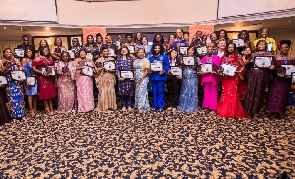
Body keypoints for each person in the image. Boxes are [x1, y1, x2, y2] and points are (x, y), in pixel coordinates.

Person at [244, 40, 276, 117]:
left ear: (266, 46)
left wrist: (273, 67)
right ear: (257, 46)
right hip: (252, 75)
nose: (261, 45)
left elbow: (274, 65)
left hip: (262, 75)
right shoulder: (253, 54)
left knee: (259, 92)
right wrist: (248, 62)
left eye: (263, 44)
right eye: (259, 44)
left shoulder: (269, 55)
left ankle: (256, 111)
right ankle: (247, 110)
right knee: (250, 92)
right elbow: (247, 65)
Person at [215, 43, 248, 118]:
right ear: (227, 48)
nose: (230, 49)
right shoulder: (224, 56)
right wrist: (220, 71)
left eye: (232, 47)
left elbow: (243, 66)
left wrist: (239, 71)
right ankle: (224, 110)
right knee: (225, 93)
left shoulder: (238, 56)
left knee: (232, 93)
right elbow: (221, 67)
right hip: (225, 78)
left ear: (234, 48)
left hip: (233, 78)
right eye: (229, 47)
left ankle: (232, 111)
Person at [267, 40, 295, 118]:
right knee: (274, 95)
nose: (284, 49)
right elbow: (273, 67)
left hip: (286, 80)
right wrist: (273, 69)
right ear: (280, 49)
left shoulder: (292, 57)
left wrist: (291, 76)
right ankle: (272, 112)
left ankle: (279, 112)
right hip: (276, 80)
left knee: (283, 96)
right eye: (282, 47)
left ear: (289, 48)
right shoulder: (275, 57)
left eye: (286, 47)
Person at [2, 48, 25, 120]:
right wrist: (5, 69)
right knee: (11, 99)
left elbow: (21, 69)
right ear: (4, 54)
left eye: (10, 52)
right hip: (9, 82)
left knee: (20, 98)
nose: (9, 53)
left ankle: (21, 114)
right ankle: (13, 115)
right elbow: (1, 71)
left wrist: (17, 67)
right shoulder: (2, 61)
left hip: (17, 81)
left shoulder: (16, 60)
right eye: (7, 52)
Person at [32, 46, 56, 115]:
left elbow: (52, 65)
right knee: (45, 93)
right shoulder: (38, 58)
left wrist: (54, 67)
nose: (46, 51)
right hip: (43, 78)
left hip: (50, 77)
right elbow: (34, 68)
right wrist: (42, 72)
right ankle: (47, 108)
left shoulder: (50, 57)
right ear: (42, 51)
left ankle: (51, 108)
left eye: (47, 50)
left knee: (50, 92)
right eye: (45, 50)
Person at [72, 49, 95, 113]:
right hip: (81, 77)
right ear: (79, 54)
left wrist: (93, 70)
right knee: (82, 91)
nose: (83, 53)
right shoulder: (77, 60)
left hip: (88, 78)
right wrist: (80, 67)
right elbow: (72, 68)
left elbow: (93, 67)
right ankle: (82, 107)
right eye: (81, 52)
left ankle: (90, 106)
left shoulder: (89, 60)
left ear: (86, 53)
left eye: (84, 52)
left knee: (89, 91)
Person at [177, 46, 199, 112]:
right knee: (185, 90)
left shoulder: (196, 58)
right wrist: (182, 64)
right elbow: (180, 67)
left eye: (192, 50)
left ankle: (192, 105)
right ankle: (184, 105)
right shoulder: (183, 58)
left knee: (192, 90)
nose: (191, 51)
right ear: (187, 51)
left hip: (193, 76)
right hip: (185, 76)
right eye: (189, 50)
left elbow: (199, 68)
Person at [95, 47, 117, 111]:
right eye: (104, 51)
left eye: (107, 51)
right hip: (103, 77)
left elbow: (115, 69)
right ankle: (103, 107)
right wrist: (100, 69)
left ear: (109, 52)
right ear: (102, 52)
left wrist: (111, 70)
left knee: (110, 90)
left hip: (110, 77)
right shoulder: (99, 60)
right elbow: (96, 71)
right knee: (103, 91)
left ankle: (110, 106)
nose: (106, 52)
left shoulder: (112, 59)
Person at [199, 46, 221, 111]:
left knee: (214, 92)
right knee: (206, 92)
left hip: (213, 77)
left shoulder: (217, 58)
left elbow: (219, 67)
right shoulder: (203, 58)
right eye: (208, 49)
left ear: (213, 50)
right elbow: (200, 67)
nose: (210, 50)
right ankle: (206, 106)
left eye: (211, 49)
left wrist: (213, 65)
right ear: (206, 50)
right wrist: (201, 71)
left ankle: (213, 107)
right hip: (206, 77)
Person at [149, 43, 170, 111]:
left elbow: (167, 66)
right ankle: (155, 106)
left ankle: (161, 106)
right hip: (153, 77)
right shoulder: (151, 58)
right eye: (155, 48)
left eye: (158, 48)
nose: (157, 49)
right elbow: (149, 67)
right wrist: (150, 70)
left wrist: (164, 71)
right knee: (154, 92)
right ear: (153, 49)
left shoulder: (164, 56)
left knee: (160, 92)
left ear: (160, 49)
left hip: (161, 77)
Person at [116, 47, 135, 111]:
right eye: (122, 50)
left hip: (130, 78)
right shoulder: (118, 59)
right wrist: (119, 77)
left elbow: (134, 69)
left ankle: (129, 105)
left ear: (128, 51)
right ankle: (123, 105)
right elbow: (117, 69)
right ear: (121, 51)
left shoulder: (131, 59)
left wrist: (133, 76)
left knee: (130, 92)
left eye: (125, 50)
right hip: (122, 78)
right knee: (122, 92)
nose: (124, 51)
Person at [21, 47, 38, 117]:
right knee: (30, 95)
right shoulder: (24, 59)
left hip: (34, 78)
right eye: (27, 52)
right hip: (28, 79)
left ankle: (35, 109)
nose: (29, 53)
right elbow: (23, 71)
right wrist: (25, 80)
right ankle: (31, 110)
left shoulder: (33, 59)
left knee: (35, 94)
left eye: (30, 51)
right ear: (25, 53)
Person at [134, 48, 150, 113]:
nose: (140, 53)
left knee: (142, 92)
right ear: (137, 53)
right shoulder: (136, 60)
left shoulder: (146, 60)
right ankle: (139, 106)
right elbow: (135, 70)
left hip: (143, 77)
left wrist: (142, 78)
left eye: (142, 52)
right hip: (137, 78)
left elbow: (147, 71)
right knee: (138, 92)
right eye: (139, 52)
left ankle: (142, 108)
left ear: (144, 53)